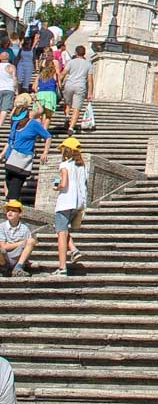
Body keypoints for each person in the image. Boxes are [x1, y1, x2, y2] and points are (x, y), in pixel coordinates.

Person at [2, 99, 51, 202]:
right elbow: (10, 140)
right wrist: (2, 153)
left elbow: (48, 136)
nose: (18, 121)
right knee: (8, 184)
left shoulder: (33, 124)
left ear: (26, 116)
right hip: (10, 158)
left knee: (15, 186)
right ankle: (11, 207)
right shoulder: (15, 123)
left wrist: (45, 152)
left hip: (22, 160)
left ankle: (12, 205)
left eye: (20, 119)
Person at [52, 136, 87, 276]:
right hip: (77, 203)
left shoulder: (64, 165)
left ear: (66, 151)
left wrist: (57, 187)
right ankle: (74, 250)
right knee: (63, 229)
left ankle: (62, 267)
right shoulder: (81, 165)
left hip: (65, 202)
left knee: (61, 233)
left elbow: (64, 184)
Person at [0, 199, 38, 278]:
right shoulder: (2, 226)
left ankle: (18, 268)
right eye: (8, 210)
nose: (10, 212)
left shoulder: (25, 228)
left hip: (18, 257)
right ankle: (4, 268)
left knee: (31, 240)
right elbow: (4, 247)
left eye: (13, 210)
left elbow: (29, 245)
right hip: (4, 257)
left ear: (20, 214)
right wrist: (21, 243)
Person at [62, 45, 93, 136]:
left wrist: (59, 82)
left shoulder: (71, 62)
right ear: (84, 53)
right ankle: (71, 127)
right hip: (80, 86)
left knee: (67, 103)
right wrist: (90, 93)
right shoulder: (88, 64)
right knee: (77, 108)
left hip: (69, 85)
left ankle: (67, 116)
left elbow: (63, 73)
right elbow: (90, 80)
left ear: (75, 53)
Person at [0, 53, 15, 133]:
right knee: (4, 108)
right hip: (9, 88)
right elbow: (14, 78)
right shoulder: (11, 67)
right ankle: (0, 124)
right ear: (8, 58)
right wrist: (16, 90)